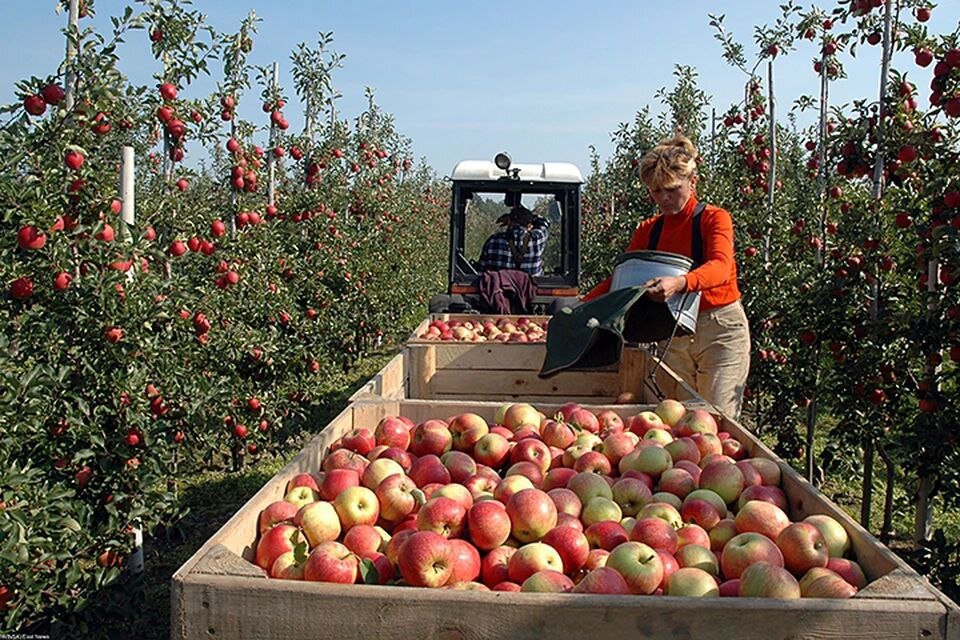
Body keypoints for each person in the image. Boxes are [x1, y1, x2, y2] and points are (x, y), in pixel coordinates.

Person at [582, 133, 750, 419]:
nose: (663, 198)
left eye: (671, 189)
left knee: (718, 420)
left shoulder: (713, 218)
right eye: (656, 191)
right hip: (672, 332)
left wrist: (681, 283)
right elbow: (621, 281)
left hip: (719, 328)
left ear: (692, 182)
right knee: (681, 421)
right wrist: (583, 306)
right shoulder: (649, 230)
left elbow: (721, 267)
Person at [477, 204, 550, 276]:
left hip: (499, 287)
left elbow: (480, 270)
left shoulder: (493, 241)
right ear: (529, 225)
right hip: (530, 287)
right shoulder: (537, 239)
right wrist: (531, 217)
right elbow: (544, 222)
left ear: (509, 221)